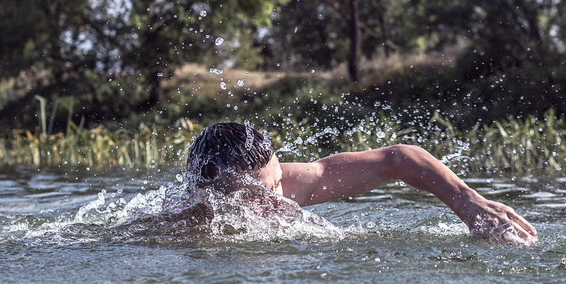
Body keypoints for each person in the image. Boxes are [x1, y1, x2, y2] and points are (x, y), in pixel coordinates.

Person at [183, 122, 536, 246]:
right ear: (207, 196)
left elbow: (396, 158)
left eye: (276, 184)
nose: (277, 201)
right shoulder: (180, 223)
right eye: (258, 196)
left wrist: (466, 200)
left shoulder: (289, 185)